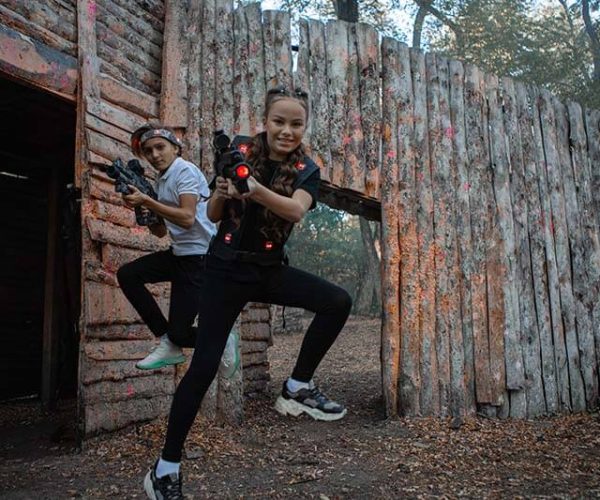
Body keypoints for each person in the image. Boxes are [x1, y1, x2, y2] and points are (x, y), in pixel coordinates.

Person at [143, 87, 352, 499]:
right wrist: (223, 190)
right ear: (265, 120)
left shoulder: (308, 169)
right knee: (203, 367)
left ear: (303, 127)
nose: (287, 131)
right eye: (279, 121)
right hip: (222, 270)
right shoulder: (237, 149)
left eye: (296, 124)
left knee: (337, 301)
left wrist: (253, 188)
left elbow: (295, 211)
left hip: (269, 270)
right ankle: (165, 470)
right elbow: (211, 215)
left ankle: (297, 386)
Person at [116, 124, 216, 370]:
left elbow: (186, 217)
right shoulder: (161, 179)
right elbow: (160, 231)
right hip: (179, 254)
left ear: (176, 148)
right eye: (149, 151)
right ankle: (166, 340)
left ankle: (221, 341)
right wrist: (142, 209)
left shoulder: (185, 172)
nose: (155, 155)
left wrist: (148, 200)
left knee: (182, 334)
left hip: (200, 258)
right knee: (128, 275)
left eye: (160, 147)